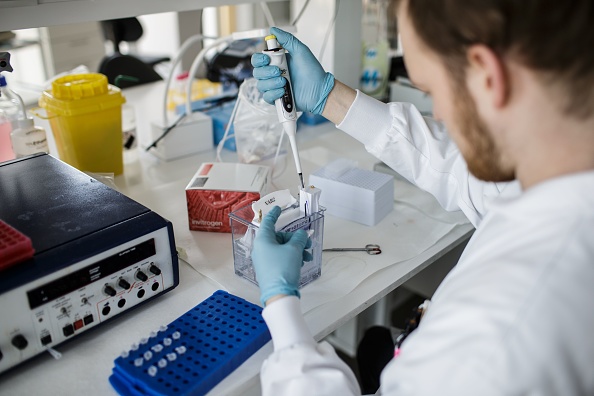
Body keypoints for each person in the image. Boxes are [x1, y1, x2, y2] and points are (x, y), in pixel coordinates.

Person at [249, 0, 594, 394]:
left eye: (429, 89)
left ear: (487, 75)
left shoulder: (495, 345)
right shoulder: (558, 169)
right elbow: (460, 169)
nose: (440, 115)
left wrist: (282, 310)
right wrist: (330, 98)